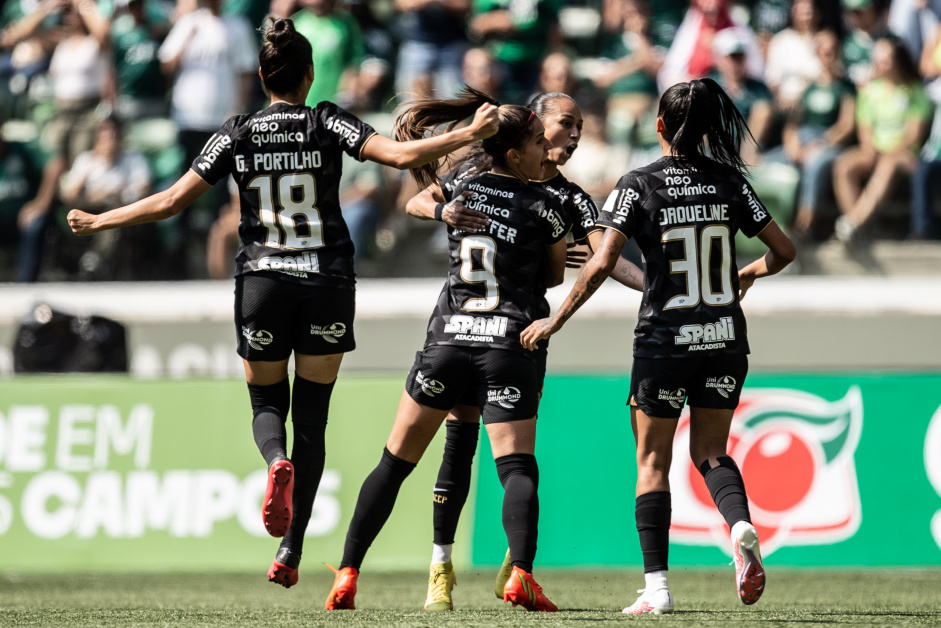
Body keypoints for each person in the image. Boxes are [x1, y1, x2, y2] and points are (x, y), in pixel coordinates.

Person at [66, 15, 499, 588]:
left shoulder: (238, 131)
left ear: (263, 75)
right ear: (311, 73)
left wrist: (101, 218)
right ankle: (291, 552)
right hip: (324, 283)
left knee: (266, 403)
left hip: (263, 284)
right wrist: (469, 134)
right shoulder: (326, 121)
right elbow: (398, 158)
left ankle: (275, 462)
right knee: (313, 420)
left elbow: (172, 199)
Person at [520, 77, 796, 615]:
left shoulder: (639, 183)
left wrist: (555, 319)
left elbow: (601, 261)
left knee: (652, 461)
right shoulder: (729, 182)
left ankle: (658, 589)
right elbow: (784, 250)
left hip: (665, 342)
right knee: (712, 452)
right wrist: (747, 273)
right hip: (724, 339)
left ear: (660, 126)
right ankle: (739, 524)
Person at [324, 90, 568, 613]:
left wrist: (445, 211)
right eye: (537, 142)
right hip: (507, 345)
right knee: (517, 468)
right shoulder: (545, 206)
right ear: (515, 152)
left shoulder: (462, 186)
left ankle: (346, 573)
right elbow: (552, 275)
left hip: (448, 343)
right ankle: (521, 575)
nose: (545, 150)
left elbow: (414, 201)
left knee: (392, 464)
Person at [402, 90, 644, 612]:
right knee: (462, 445)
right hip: (470, 327)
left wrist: (646, 285)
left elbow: (604, 257)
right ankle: (443, 569)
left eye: (581, 125)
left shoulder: (572, 199)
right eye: (564, 124)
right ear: (533, 128)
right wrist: (443, 209)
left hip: (518, 337)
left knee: (506, 457)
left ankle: (513, 564)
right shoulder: (480, 167)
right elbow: (419, 198)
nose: (574, 134)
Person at [833, 35, 932, 243]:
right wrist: (872, 151)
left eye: (886, 59)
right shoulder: (869, 92)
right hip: (874, 150)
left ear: (898, 60)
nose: (880, 63)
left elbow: (913, 137)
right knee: (843, 166)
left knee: (887, 164)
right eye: (878, 59)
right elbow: (865, 130)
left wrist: (888, 152)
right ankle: (860, 229)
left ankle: (853, 222)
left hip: (904, 155)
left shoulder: (915, 92)